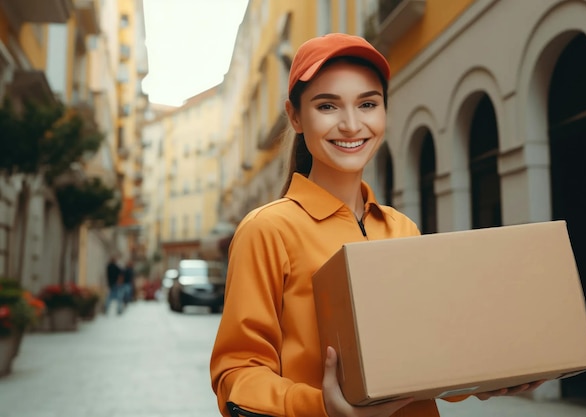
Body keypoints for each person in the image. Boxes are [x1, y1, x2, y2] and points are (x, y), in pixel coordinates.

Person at [210, 33, 542, 417]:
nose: (352, 125)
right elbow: (237, 377)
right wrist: (322, 407)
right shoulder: (267, 230)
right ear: (296, 116)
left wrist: (487, 377)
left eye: (368, 103)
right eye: (327, 106)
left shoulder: (403, 228)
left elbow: (427, 354)